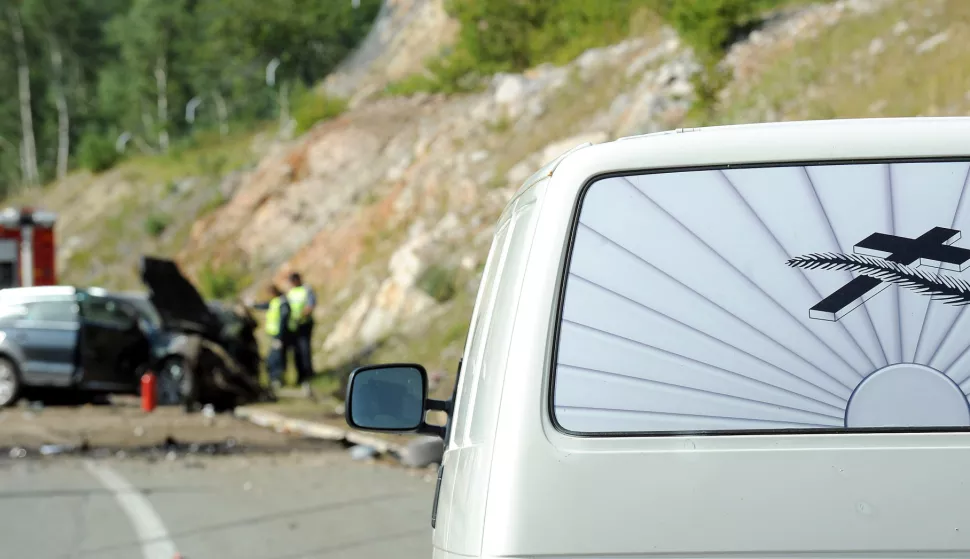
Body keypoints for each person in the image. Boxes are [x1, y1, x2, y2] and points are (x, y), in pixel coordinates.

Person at [250, 284, 290, 391]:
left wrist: (279, 338)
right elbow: (265, 306)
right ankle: (274, 379)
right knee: (273, 358)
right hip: (273, 335)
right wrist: (254, 305)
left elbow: (283, 321)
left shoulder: (282, 303)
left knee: (275, 359)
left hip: (279, 336)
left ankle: (277, 380)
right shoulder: (275, 302)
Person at [285, 271, 317, 397]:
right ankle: (299, 376)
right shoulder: (290, 293)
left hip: (304, 324)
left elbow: (310, 305)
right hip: (293, 326)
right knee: (296, 352)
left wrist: (302, 316)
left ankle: (308, 375)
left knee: (304, 350)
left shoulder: (306, 290)